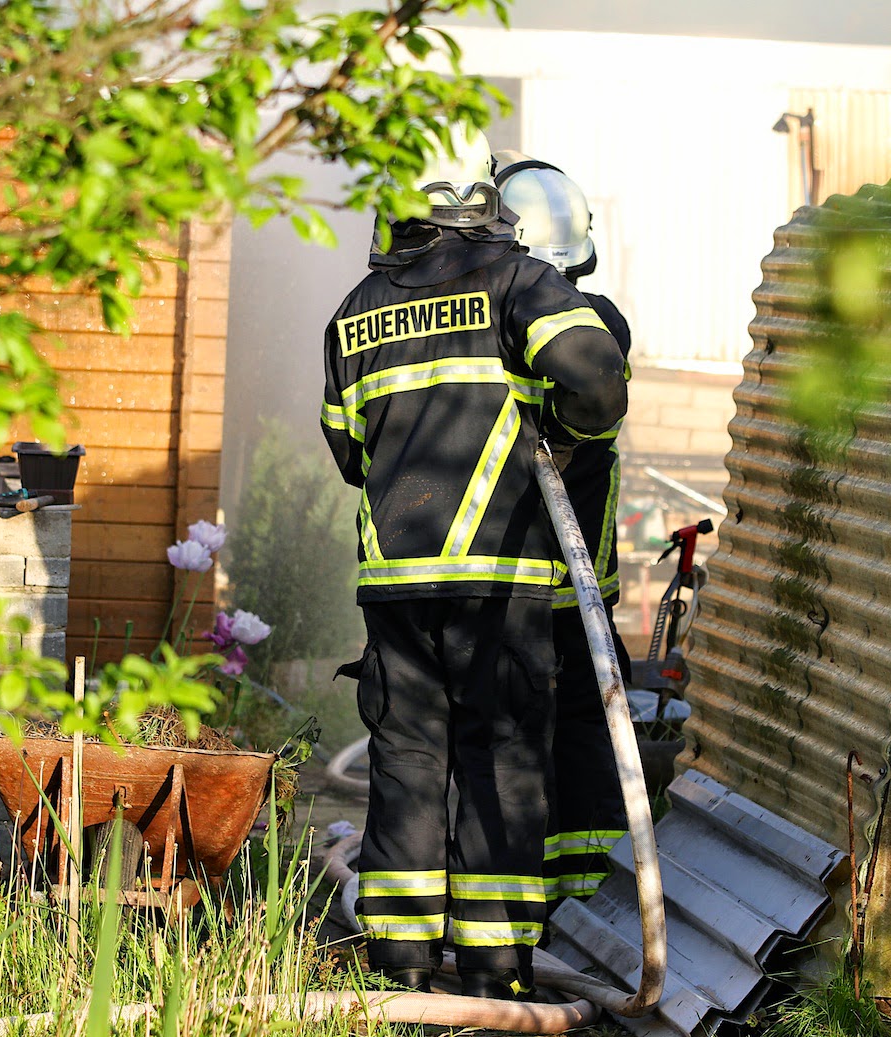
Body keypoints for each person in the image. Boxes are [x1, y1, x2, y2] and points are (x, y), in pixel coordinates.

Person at [321, 133, 628, 1000]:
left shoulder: (355, 307)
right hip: (500, 577)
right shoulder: (519, 280)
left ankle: (402, 967)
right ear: (479, 195)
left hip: (395, 579)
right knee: (501, 756)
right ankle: (495, 976)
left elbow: (349, 447)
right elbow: (597, 377)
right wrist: (565, 442)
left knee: (408, 757)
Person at [493, 151, 635, 910]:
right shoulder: (600, 324)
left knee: (516, 736)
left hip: (505, 580)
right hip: (580, 587)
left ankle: (518, 898)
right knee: (583, 731)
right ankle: (585, 901)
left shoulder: (494, 324)